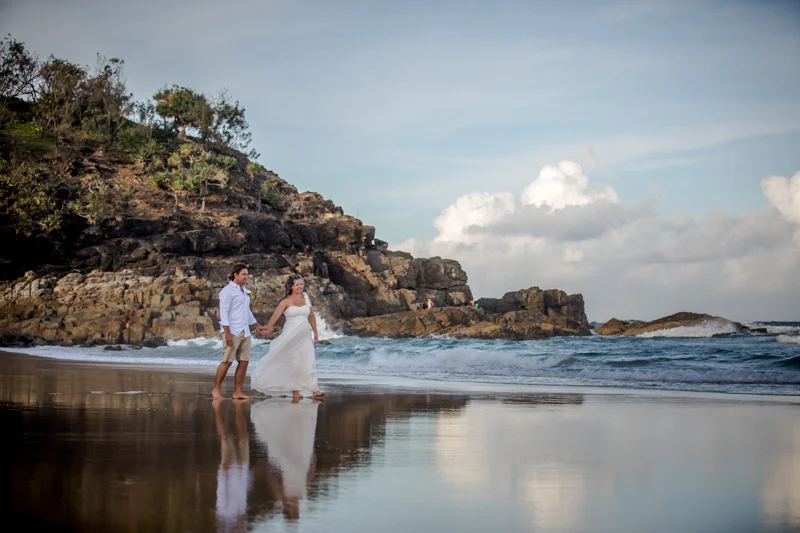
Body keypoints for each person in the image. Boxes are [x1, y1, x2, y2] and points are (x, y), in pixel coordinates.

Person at [250, 274, 324, 401]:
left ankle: (314, 389)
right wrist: (267, 327)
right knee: (293, 361)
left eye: (301, 284)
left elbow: (311, 316)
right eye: (297, 284)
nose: (300, 286)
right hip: (291, 335)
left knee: (307, 360)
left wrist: (316, 333)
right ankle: (295, 391)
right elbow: (276, 315)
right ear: (291, 286)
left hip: (305, 335)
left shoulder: (306, 297)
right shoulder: (285, 301)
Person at [212, 264, 266, 400]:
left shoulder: (245, 291)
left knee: (244, 361)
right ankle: (216, 389)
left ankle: (238, 392)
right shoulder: (227, 291)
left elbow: (246, 311)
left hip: (245, 331)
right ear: (235, 274)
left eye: (247, 274)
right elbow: (223, 313)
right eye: (244, 274)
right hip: (232, 331)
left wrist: (256, 325)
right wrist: (227, 333)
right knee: (227, 361)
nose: (246, 277)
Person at [213, 398, 251, 532]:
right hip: (242, 468)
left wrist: (223, 473)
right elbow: (243, 491)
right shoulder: (241, 512)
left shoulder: (224, 511)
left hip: (229, 470)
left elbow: (221, 493)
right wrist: (246, 471)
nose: (240, 529)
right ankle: (237, 408)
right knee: (244, 437)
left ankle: (217, 410)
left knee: (226, 438)